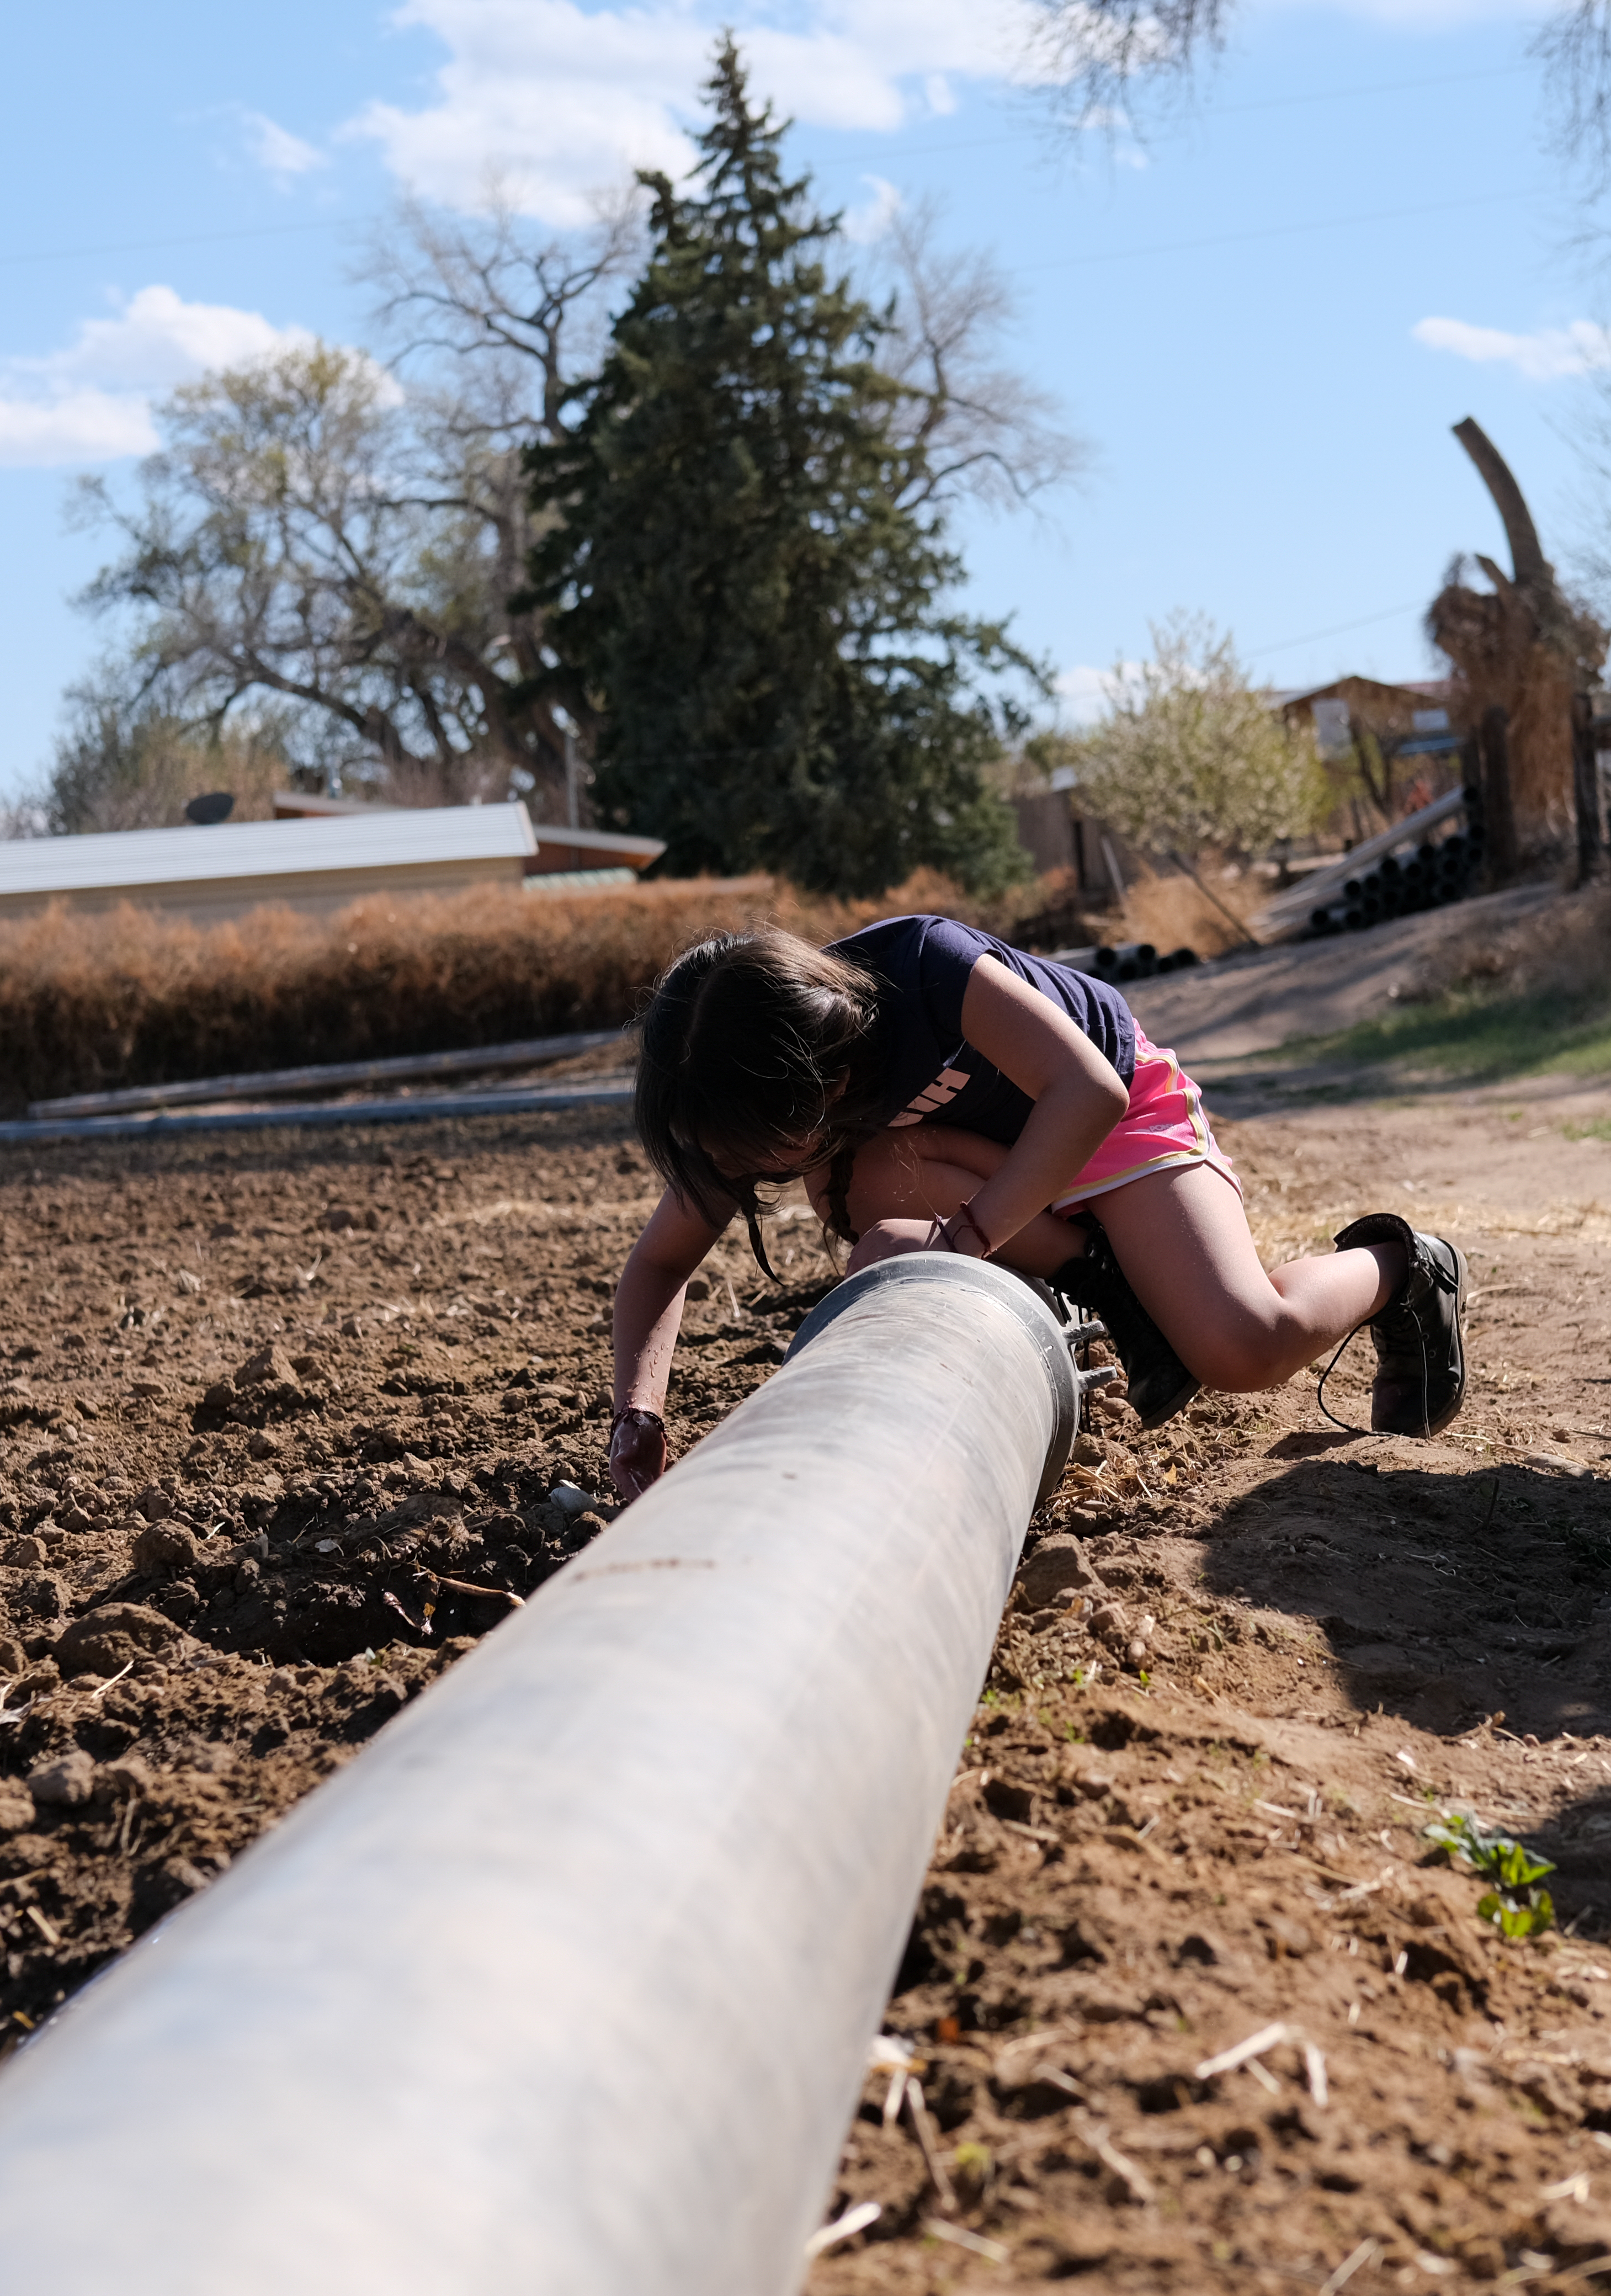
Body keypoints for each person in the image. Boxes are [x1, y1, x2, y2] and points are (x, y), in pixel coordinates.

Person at [607, 915, 1466, 1500]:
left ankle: (1405, 1268)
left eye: (758, 1152)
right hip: (1004, 1175)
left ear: (823, 1084)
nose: (744, 1173)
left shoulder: (923, 965)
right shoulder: (756, 1086)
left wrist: (973, 1235)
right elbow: (658, 1263)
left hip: (1114, 1118)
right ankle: (1107, 1289)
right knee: (868, 1219)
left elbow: (1087, 1090)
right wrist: (637, 1414)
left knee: (1243, 1346)